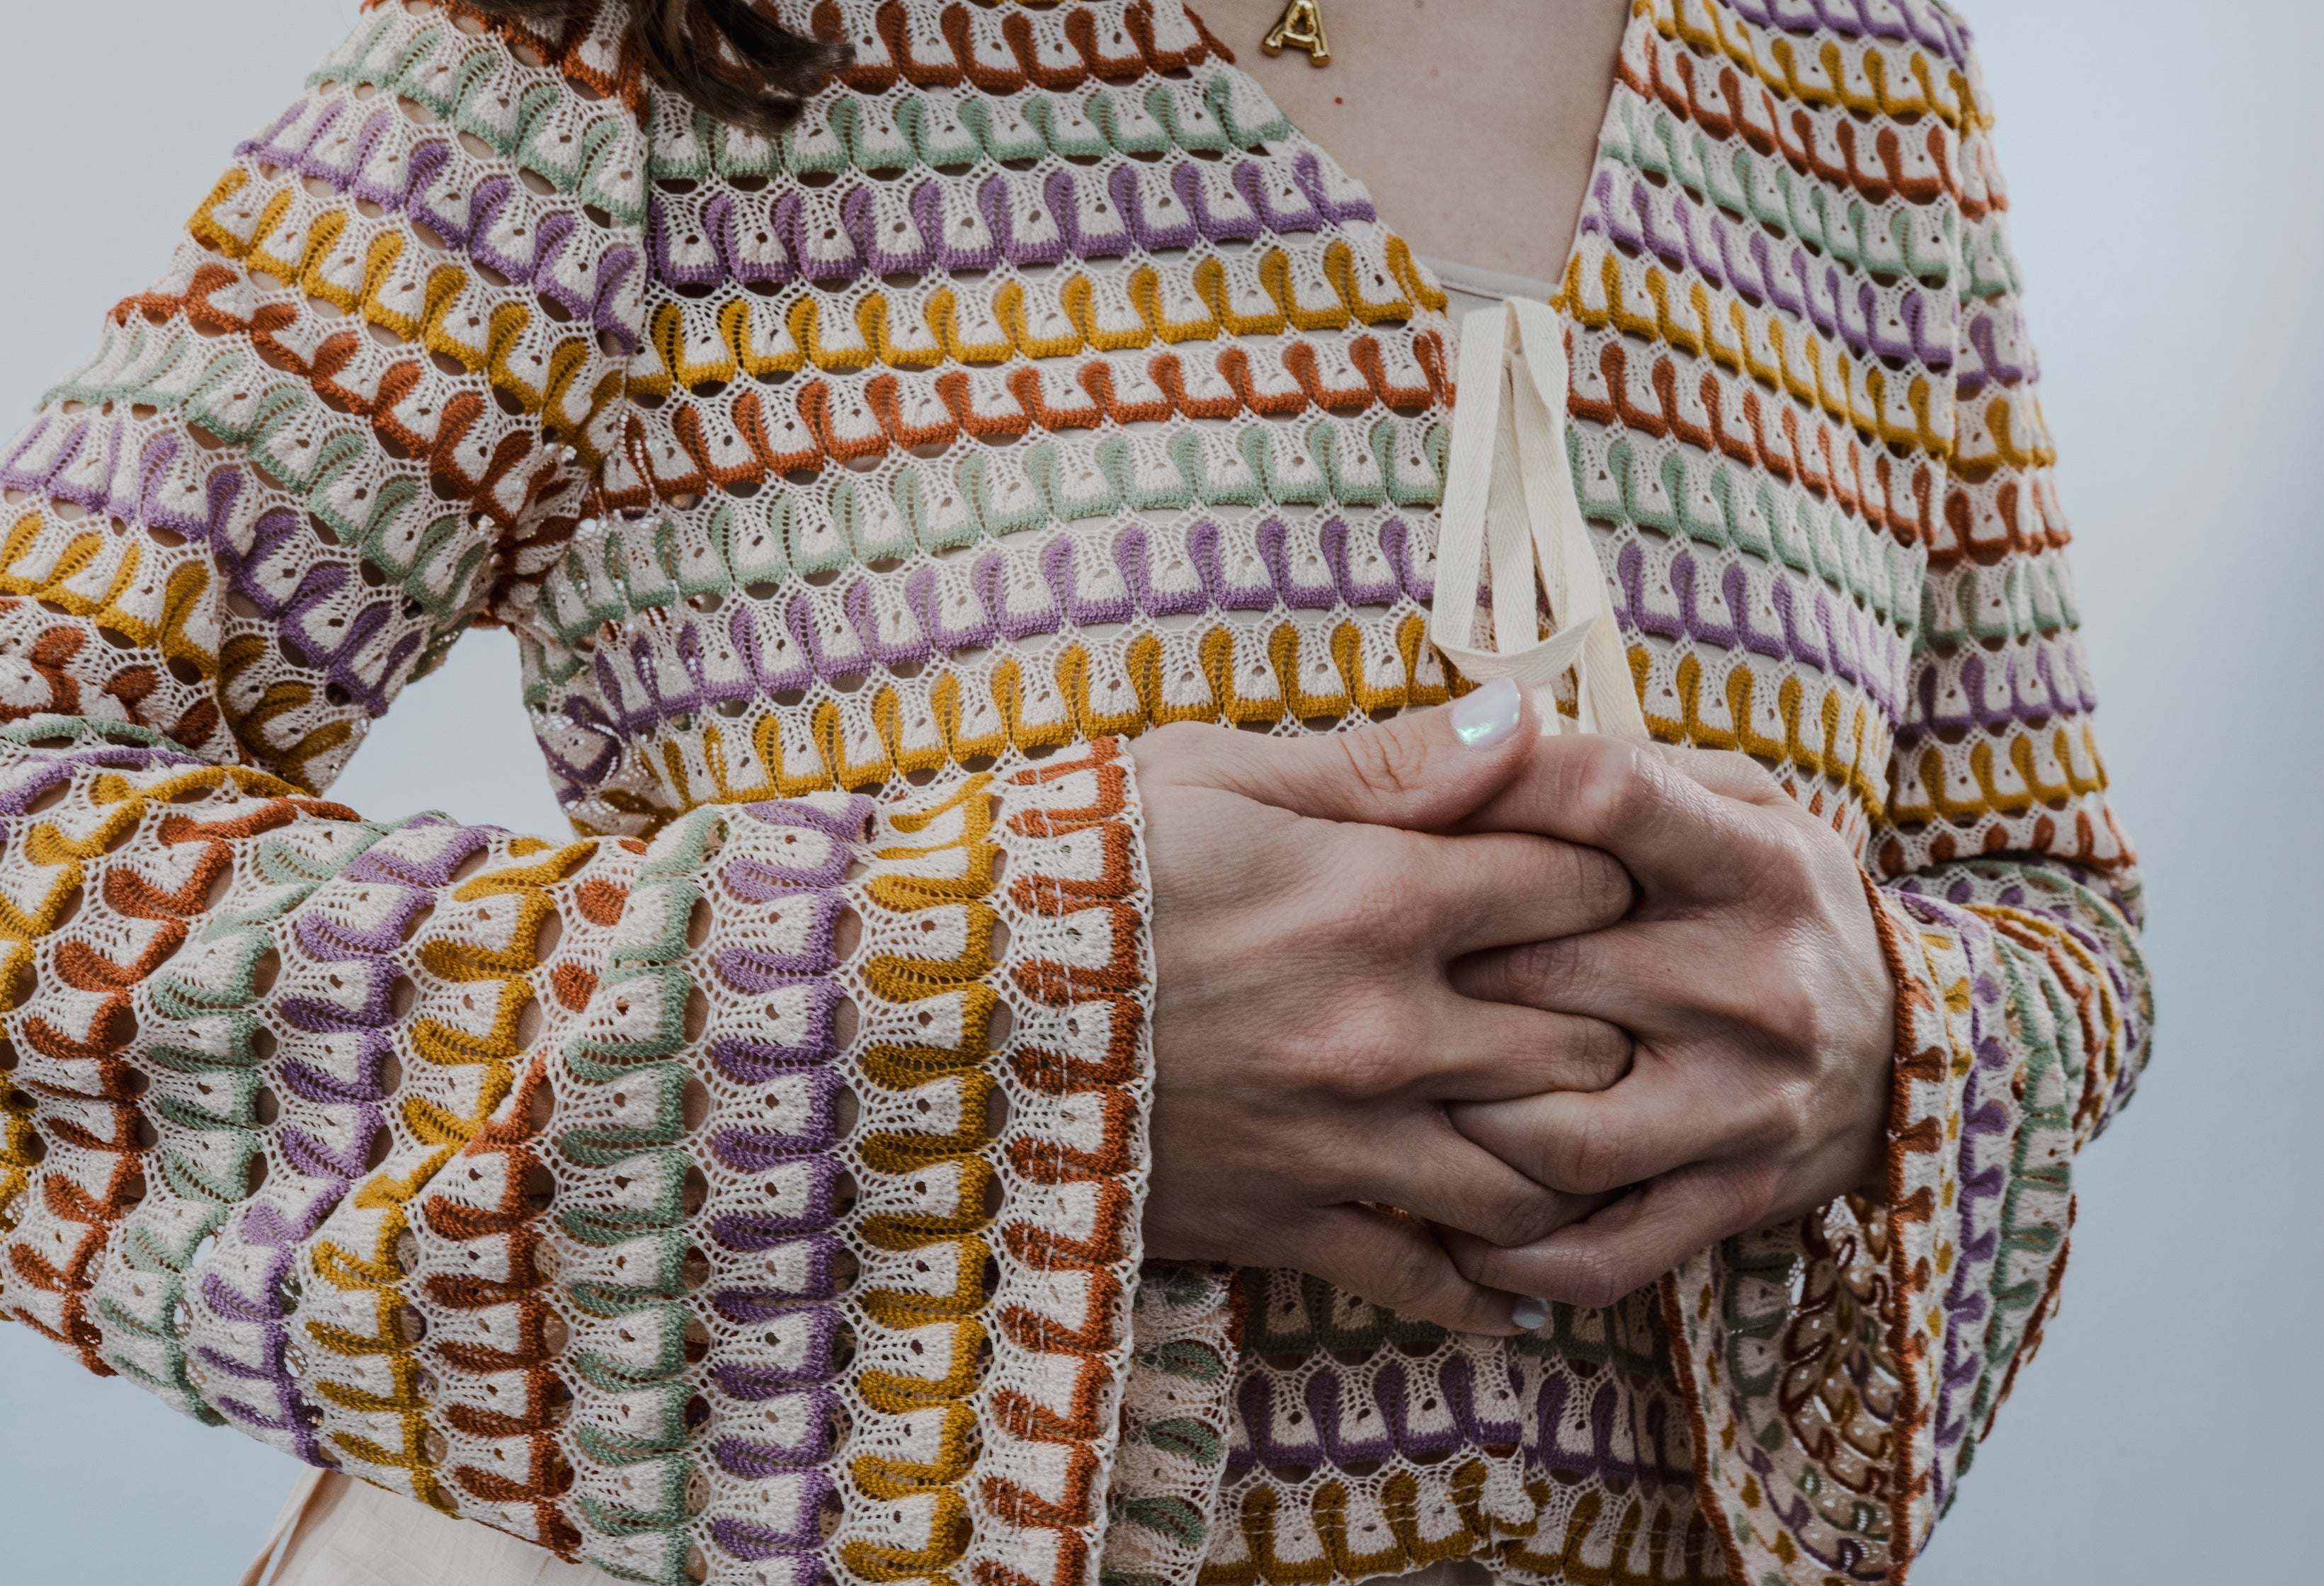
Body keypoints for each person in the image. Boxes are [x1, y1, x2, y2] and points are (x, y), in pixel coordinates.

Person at [0, 1, 2151, 1582]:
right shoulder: (663, 51)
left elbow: (2049, 921)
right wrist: (1013, 1005)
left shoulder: (1859, 68)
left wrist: (1879, 1025)